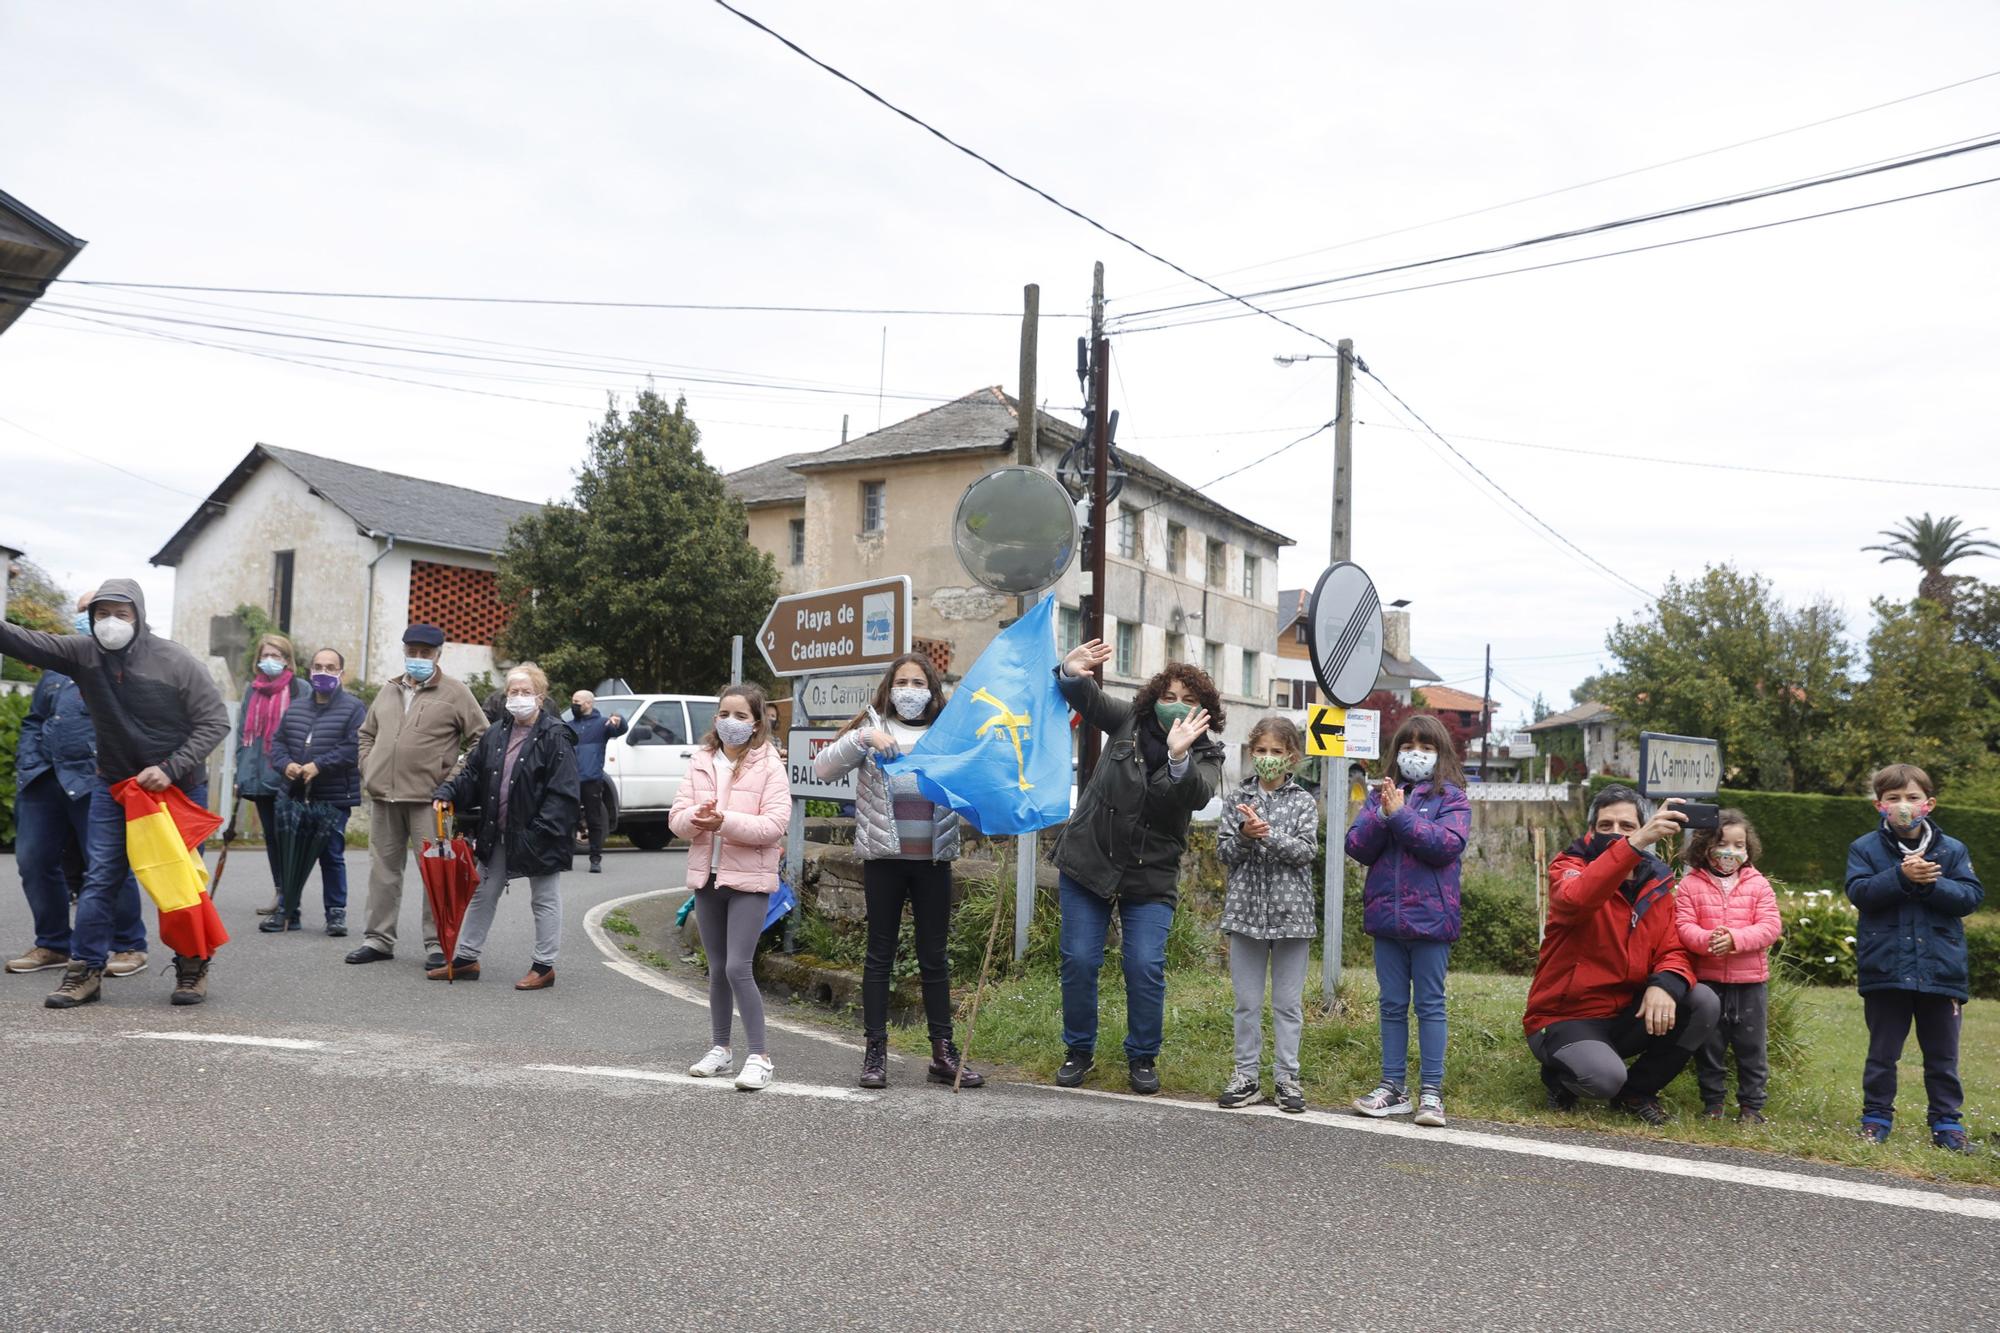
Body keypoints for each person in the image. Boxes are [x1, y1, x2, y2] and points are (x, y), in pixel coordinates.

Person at [0, 579, 230, 1007]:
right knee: (100, 876)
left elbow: (215, 722)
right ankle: (85, 970)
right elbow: (21, 640)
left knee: (177, 880)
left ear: (138, 617)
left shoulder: (175, 661)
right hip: (114, 786)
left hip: (174, 788)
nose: (110, 623)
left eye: (120, 614)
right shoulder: (83, 654)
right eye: (101, 614)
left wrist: (169, 768)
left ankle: (192, 966)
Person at [1050, 640, 1225, 1095]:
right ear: (1153, 699)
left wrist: (1179, 756)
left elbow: (1193, 796)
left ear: (1204, 711)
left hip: (1150, 876)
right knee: (1080, 960)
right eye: (1169, 697)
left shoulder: (1207, 756)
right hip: (1089, 859)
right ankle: (1079, 1051)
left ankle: (1143, 1057)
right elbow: (1084, 697)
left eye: (1189, 700)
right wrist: (1071, 669)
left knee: (1144, 965)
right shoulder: (1128, 720)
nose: (1176, 706)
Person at [812, 653, 982, 1090]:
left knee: (934, 959)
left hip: (933, 860)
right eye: (902, 682)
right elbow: (824, 768)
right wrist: (863, 738)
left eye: (918, 682)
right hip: (884, 860)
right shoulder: (872, 728)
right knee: (879, 956)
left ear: (932, 689)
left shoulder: (946, 733)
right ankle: (875, 1052)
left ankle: (943, 1054)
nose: (910, 690)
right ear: (890, 688)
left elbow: (977, 779)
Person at [1523, 785, 1719, 1125]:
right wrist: (1634, 844)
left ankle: (1638, 1091)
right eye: (1606, 825)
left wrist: (1666, 984)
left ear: (1641, 827)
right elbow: (1575, 900)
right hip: (1564, 1017)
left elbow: (1673, 947)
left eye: (1627, 826)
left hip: (1624, 1013)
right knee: (1603, 1080)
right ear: (1591, 830)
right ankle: (1559, 1077)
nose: (1616, 833)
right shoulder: (1568, 866)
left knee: (1703, 1001)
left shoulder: (1657, 881)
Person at [5, 594, 148, 978]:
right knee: (33, 861)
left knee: (107, 865)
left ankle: (129, 944)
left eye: (106, 613)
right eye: (89, 613)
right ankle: (52, 943)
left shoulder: (127, 666)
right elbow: (36, 719)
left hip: (95, 780)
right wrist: (29, 759)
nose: (96, 620)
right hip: (43, 779)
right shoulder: (56, 667)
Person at [1846, 764, 1985, 1154]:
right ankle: (1875, 1119)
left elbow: (1971, 898)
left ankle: (1946, 1124)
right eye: (1893, 799)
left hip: (1941, 971)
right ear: (1879, 806)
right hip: (1886, 969)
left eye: (1912, 797)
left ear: (1929, 804)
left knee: (1942, 1056)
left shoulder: (1952, 850)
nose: (1903, 805)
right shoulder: (1864, 849)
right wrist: (1902, 876)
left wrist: (1931, 884)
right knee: (1883, 1053)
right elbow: (1860, 892)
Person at [1347, 713, 1471, 1127]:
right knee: (1392, 1005)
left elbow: (1445, 845)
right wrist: (1383, 813)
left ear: (1441, 754)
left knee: (1431, 1005)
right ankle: (1393, 1087)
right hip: (1387, 919)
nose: (1415, 754)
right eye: (1407, 746)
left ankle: (1432, 1093)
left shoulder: (1452, 798)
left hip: (1432, 919)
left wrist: (1400, 816)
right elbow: (1358, 846)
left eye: (1426, 747)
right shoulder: (1380, 794)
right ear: (1395, 752)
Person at [346, 624, 488, 968]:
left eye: (426, 653)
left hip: (432, 801)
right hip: (385, 797)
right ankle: (378, 939)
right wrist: (369, 766)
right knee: (382, 871)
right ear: (405, 652)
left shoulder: (455, 692)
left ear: (439, 655)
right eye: (413, 652)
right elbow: (366, 733)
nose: (418, 658)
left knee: (436, 872)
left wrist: (451, 779)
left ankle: (438, 944)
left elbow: (481, 739)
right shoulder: (389, 690)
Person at [670, 683, 789, 1092]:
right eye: (724, 714)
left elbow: (774, 826)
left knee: (739, 966)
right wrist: (696, 819)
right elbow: (676, 819)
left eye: (741, 716)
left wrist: (725, 822)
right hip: (708, 876)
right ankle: (721, 1048)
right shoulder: (702, 760)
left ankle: (760, 1055)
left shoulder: (770, 765)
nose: (730, 722)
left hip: (750, 880)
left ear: (757, 723)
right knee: (717, 968)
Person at [432, 663, 579, 989]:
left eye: (526, 692)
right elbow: (472, 773)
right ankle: (467, 958)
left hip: (539, 834)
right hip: (497, 830)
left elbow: (564, 791)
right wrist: (447, 791)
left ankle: (544, 966)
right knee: (484, 892)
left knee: (544, 899)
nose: (518, 697)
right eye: (513, 691)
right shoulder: (496, 732)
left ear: (540, 698)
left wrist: (541, 829)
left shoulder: (555, 735)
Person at [1214, 716, 1318, 1113]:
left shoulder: (1304, 801)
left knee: (1287, 1004)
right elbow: (1224, 853)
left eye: (1277, 752)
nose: (1268, 758)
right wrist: (1244, 835)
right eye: (1261, 751)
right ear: (1251, 752)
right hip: (1244, 916)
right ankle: (1246, 1077)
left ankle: (1287, 1078)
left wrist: (1268, 834)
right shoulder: (1236, 799)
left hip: (1293, 918)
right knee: (1247, 1002)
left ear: (1292, 757)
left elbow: (1307, 852)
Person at [1673, 809, 1782, 1123]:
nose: (1731, 852)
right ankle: (1713, 1104)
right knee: (1710, 1046)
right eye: (1724, 844)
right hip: (1707, 982)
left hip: (1750, 983)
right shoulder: (1691, 885)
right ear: (1705, 846)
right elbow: (1683, 926)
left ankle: (1752, 1107)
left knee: (1752, 1047)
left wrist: (1736, 938)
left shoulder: (1758, 884)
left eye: (1739, 845)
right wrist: (1708, 939)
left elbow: (1770, 927)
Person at [265, 647, 366, 935]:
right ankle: (288, 910)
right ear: (309, 671)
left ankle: (336, 913)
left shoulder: (354, 707)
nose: (323, 672)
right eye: (318, 667)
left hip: (333, 795)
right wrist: (286, 765)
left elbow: (353, 747)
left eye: (330, 668)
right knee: (290, 852)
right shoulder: (296, 706)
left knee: (331, 853)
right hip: (294, 793)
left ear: (341, 673)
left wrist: (318, 765)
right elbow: (278, 743)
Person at [235, 632, 309, 918]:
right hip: (258, 776)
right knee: (272, 837)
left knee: (289, 837)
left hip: (288, 775)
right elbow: (244, 735)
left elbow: (305, 732)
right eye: (265, 655)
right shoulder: (251, 690)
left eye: (276, 656)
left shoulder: (300, 688)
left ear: (287, 660)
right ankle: (281, 892)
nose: (269, 661)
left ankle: (291, 896)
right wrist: (240, 774)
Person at [565, 689, 626, 874]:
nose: (574, 704)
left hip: (591, 779)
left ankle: (595, 858)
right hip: (571, 779)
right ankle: (565, 858)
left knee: (594, 819)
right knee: (568, 819)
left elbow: (620, 729)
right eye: (573, 701)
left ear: (589, 703)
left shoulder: (602, 725)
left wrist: (619, 719)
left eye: (578, 701)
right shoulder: (569, 725)